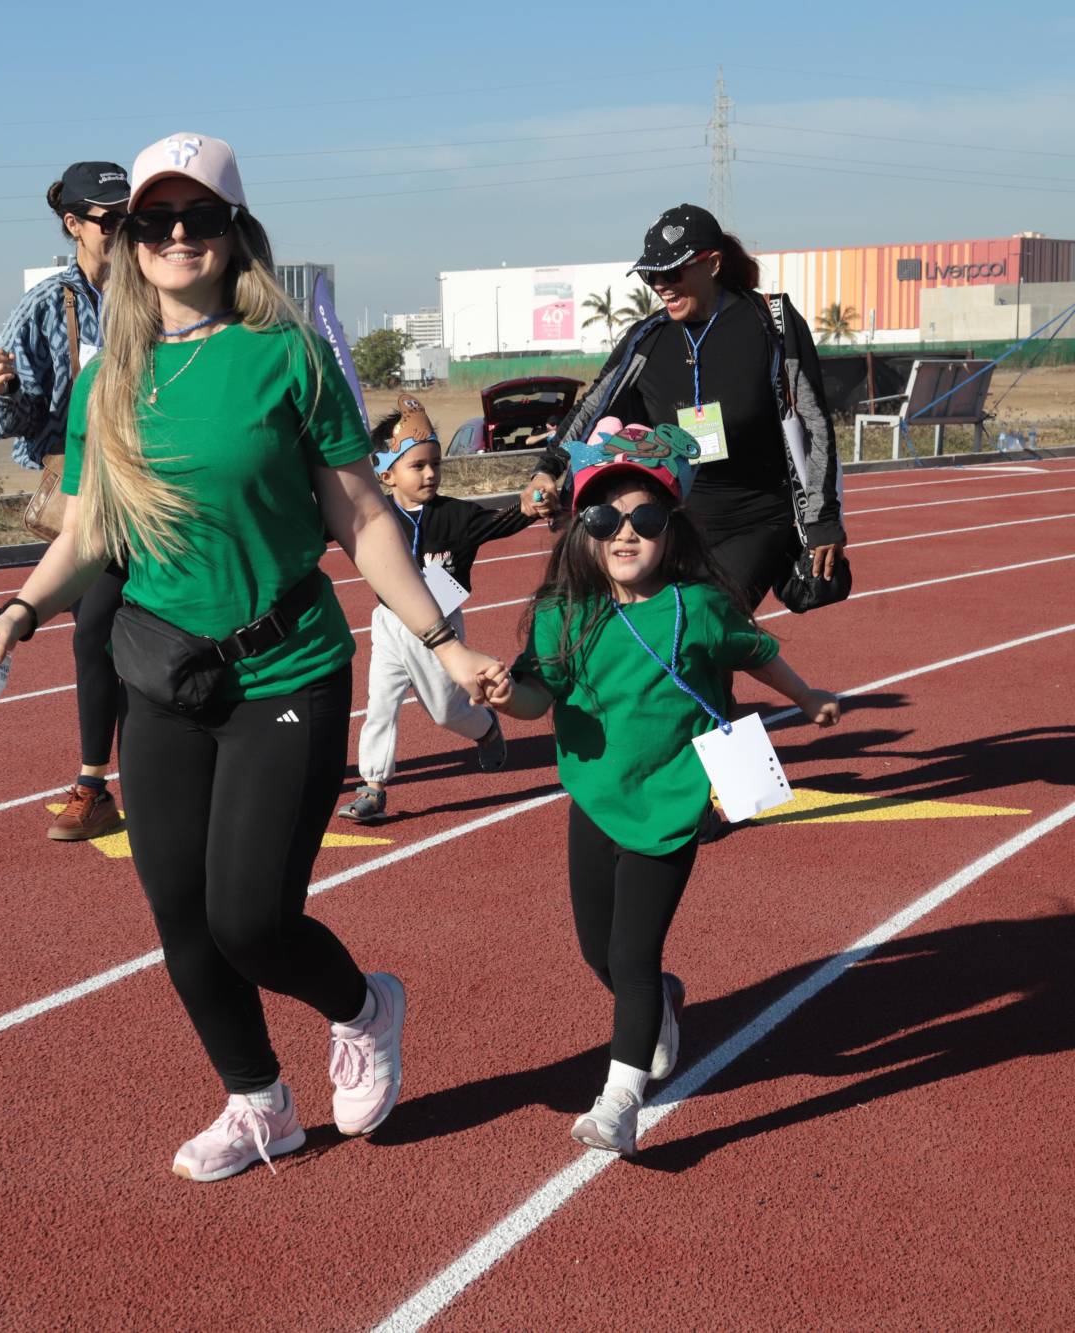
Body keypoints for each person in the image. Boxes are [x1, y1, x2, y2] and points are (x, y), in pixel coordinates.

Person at [0, 133, 502, 1181]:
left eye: (194, 219)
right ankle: (258, 1104)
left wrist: (442, 638)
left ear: (233, 233)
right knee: (181, 917)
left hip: (282, 665)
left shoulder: (285, 353)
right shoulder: (107, 378)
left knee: (249, 916)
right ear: (123, 238)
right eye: (149, 222)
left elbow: (359, 511)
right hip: (161, 672)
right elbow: (86, 529)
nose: (171, 238)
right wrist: (13, 615)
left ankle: (362, 1005)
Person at [485, 427, 840, 1155]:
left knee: (633, 953)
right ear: (580, 529)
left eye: (645, 519)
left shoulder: (699, 608)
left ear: (670, 527)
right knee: (600, 953)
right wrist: (501, 694)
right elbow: (533, 699)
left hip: (675, 802)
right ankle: (663, 1006)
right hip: (595, 797)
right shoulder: (563, 615)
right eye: (603, 519)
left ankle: (619, 1102)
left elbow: (759, 653)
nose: (625, 533)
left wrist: (807, 700)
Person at [520, 204, 845, 610]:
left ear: (711, 264)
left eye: (672, 273)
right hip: (672, 521)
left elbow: (814, 423)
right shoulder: (647, 337)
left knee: (707, 622)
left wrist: (823, 519)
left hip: (757, 518)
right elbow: (592, 405)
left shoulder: (770, 323)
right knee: (667, 635)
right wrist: (546, 470)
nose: (661, 285)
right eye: (651, 276)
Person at [0, 161, 132, 841]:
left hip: (170, 484)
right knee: (97, 630)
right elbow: (5, 420)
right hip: (93, 497)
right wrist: (1, 388)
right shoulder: (49, 305)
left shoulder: (157, 286)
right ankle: (94, 782)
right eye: (108, 218)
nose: (124, 230)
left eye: (133, 215)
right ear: (73, 225)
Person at [337, 397, 531, 824]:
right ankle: (373, 785)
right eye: (417, 466)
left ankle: (484, 728)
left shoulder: (455, 516)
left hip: (441, 630)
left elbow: (502, 522)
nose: (430, 474)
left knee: (445, 711)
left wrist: (530, 506)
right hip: (389, 624)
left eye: (435, 464)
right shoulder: (376, 517)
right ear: (386, 475)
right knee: (380, 704)